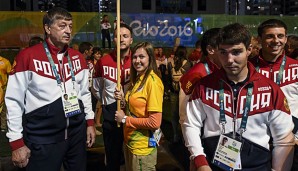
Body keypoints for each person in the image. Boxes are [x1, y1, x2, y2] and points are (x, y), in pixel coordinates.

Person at [183, 23, 294, 171]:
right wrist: (199, 159)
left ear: (248, 50)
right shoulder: (203, 86)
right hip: (213, 166)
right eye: (223, 52)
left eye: (236, 52)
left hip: (258, 167)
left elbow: (283, 140)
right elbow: (191, 124)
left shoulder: (271, 89)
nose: (229, 60)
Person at [5, 7, 95, 170]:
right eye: (62, 26)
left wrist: (89, 123)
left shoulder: (78, 57)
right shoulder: (28, 56)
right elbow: (13, 101)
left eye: (70, 26)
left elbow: (84, 93)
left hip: (76, 135)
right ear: (47, 28)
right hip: (42, 138)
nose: (68, 31)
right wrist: (16, 142)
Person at [249, 19, 298, 171]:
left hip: (291, 141)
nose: (276, 41)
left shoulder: (296, 67)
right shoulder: (247, 68)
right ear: (259, 40)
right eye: (270, 36)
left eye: (280, 36)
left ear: (285, 39)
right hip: (256, 141)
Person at [114, 42, 164, 171]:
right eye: (134, 57)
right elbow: (136, 110)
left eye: (141, 57)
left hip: (142, 149)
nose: (137, 61)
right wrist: (123, 100)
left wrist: (124, 119)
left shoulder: (152, 82)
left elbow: (154, 122)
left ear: (150, 58)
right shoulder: (138, 78)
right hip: (131, 143)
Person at [93, 23, 133, 171]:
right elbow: (96, 89)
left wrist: (126, 100)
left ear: (131, 40)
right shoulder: (104, 61)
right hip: (111, 115)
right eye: (117, 36)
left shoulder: (137, 60)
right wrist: (107, 103)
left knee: (132, 155)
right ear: (113, 39)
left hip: (132, 114)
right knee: (112, 156)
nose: (121, 39)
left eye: (125, 36)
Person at [167, 45, 192, 143]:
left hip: (173, 92)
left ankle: (175, 135)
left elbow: (169, 78)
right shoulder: (188, 64)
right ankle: (183, 135)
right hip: (184, 92)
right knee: (184, 114)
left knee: (174, 115)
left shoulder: (171, 64)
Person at [0, 55, 11, 132]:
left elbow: (10, 74)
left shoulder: (5, 61)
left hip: (3, 88)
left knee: (4, 108)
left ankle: (3, 126)